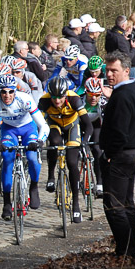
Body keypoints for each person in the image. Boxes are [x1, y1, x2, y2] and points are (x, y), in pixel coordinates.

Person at [100, 51, 135, 257]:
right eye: (107, 70)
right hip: (134, 153)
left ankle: (125, 250)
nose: (109, 74)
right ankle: (130, 247)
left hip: (122, 155)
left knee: (114, 205)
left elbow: (119, 131)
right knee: (127, 203)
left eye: (114, 70)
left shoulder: (122, 95)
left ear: (126, 71)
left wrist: (109, 153)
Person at [0, 74, 49, 219]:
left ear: (15, 91)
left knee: (32, 157)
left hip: (28, 128)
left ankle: (34, 186)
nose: (7, 95)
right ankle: (7, 202)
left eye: (10, 91)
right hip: (9, 130)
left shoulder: (25, 99)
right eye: (3, 91)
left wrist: (39, 141)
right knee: (7, 159)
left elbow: (42, 125)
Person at [38, 76, 92, 223]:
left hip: (72, 125)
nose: (57, 101)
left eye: (60, 97)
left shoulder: (74, 99)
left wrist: (85, 142)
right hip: (54, 125)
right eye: (54, 97)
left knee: (72, 162)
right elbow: (38, 123)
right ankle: (50, 176)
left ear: (65, 94)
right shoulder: (44, 100)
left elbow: (88, 125)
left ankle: (76, 204)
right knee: (54, 141)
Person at [81, 78, 105, 197]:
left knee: (97, 151)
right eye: (91, 95)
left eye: (97, 95)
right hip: (81, 124)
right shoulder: (80, 100)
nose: (94, 98)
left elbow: (107, 123)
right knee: (75, 151)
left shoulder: (104, 102)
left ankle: (99, 184)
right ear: (86, 92)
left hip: (96, 125)